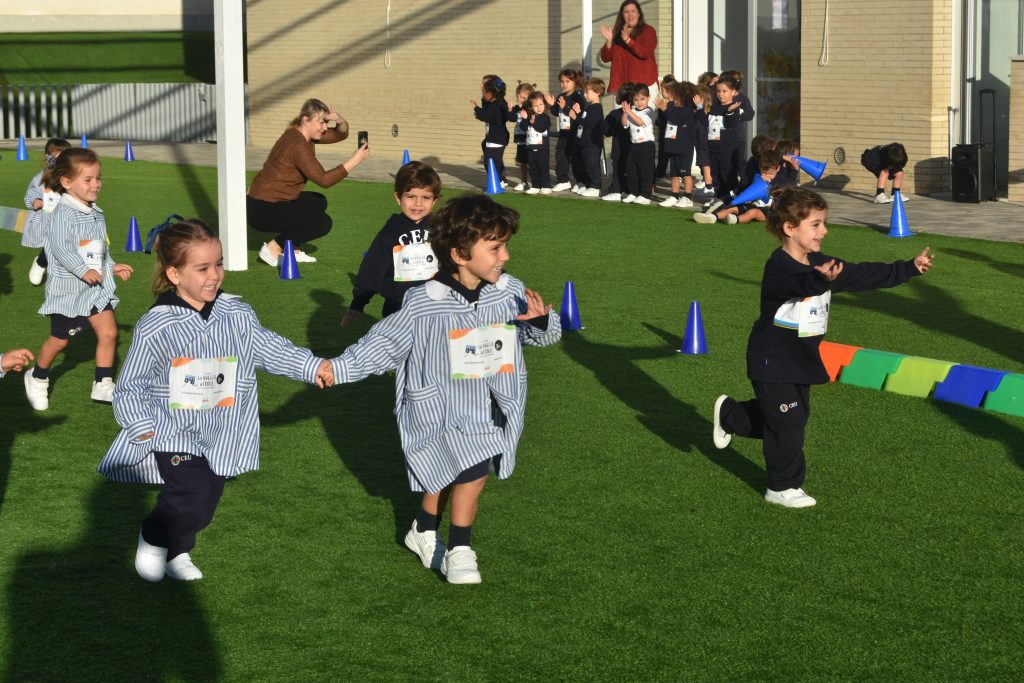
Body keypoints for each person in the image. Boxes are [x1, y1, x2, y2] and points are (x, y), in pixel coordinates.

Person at [325, 194, 561, 585]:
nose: (505, 257)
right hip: (439, 408)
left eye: (505, 245)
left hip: (491, 405)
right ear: (460, 254)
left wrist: (538, 322)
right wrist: (337, 368)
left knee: (456, 467)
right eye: (496, 247)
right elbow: (383, 343)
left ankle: (422, 527)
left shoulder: (508, 291)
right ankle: (461, 548)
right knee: (471, 468)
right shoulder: (424, 302)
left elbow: (543, 337)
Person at [97, 219, 334, 582]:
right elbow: (130, 385)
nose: (215, 275)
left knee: (205, 502)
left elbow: (269, 348)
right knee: (189, 490)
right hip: (173, 431)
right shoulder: (157, 325)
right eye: (202, 268)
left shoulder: (236, 313)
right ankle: (154, 534)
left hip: (223, 430)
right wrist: (143, 426)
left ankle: (177, 550)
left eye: (218, 264)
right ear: (174, 274)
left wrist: (312, 366)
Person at [712, 187, 935, 508]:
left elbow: (860, 274)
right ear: (790, 228)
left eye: (824, 223)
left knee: (791, 419)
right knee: (788, 423)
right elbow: (800, 283)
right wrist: (821, 281)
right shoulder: (780, 267)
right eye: (815, 224)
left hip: (801, 360)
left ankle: (731, 415)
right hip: (770, 360)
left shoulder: (821, 263)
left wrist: (909, 268)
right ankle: (781, 487)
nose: (824, 230)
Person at [24, 148, 134, 411]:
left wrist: (112, 266)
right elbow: (60, 248)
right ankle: (37, 376)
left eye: (98, 178)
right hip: (69, 293)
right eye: (88, 179)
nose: (95, 184)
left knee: (108, 332)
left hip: (96, 289)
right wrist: (82, 271)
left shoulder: (96, 211)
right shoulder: (63, 213)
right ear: (67, 182)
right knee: (60, 341)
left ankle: (103, 383)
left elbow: (98, 248)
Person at [247, 98, 369, 268]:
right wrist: (355, 160)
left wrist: (339, 120)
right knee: (322, 223)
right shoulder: (297, 144)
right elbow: (324, 179)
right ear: (306, 120)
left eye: (326, 122)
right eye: (321, 122)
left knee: (317, 202)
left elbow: (341, 134)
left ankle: (292, 248)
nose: (325, 127)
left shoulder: (301, 134)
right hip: (262, 210)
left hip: (263, 203)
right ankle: (273, 247)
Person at [341, 161, 442, 325]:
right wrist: (357, 304)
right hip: (398, 307)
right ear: (398, 197)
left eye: (426, 198)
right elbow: (373, 267)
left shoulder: (442, 228)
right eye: (410, 196)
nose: (418, 204)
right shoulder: (390, 231)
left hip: (436, 307)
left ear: (434, 200)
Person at [23, 137, 72, 286]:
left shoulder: (73, 176)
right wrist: (35, 202)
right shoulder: (41, 177)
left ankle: (66, 272)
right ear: (48, 157)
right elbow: (30, 195)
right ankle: (41, 262)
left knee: (68, 245)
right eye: (58, 157)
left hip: (68, 218)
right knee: (52, 244)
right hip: (47, 219)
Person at [694, 149, 782, 224]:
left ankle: (734, 219)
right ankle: (712, 217)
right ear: (759, 167)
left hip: (768, 211)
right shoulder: (757, 176)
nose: (767, 176)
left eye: (771, 174)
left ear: (778, 168)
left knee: (752, 213)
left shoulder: (780, 180)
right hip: (754, 204)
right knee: (733, 208)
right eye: (764, 172)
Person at [707, 74, 754, 202]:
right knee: (715, 173)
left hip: (728, 147)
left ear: (733, 92)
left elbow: (731, 123)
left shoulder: (736, 106)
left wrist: (731, 112)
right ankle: (719, 196)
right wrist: (700, 108)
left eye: (724, 91)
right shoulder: (714, 106)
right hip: (713, 147)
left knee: (728, 172)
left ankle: (733, 196)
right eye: (718, 91)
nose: (720, 94)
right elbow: (708, 123)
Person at [599, 1, 659, 101]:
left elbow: (645, 53)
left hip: (644, 87)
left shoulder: (648, 31)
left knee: (645, 117)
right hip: (622, 88)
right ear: (622, 15)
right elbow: (605, 57)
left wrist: (628, 40)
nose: (630, 15)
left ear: (638, 14)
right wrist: (609, 41)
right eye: (626, 12)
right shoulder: (618, 34)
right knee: (621, 117)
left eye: (633, 11)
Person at [657, 80, 698, 208]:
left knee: (685, 173)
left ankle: (687, 197)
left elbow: (677, 120)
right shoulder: (671, 107)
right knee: (674, 173)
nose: (673, 98)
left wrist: (665, 110)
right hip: (672, 145)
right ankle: (674, 196)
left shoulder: (688, 110)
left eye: (676, 95)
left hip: (684, 148)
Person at [545, 69, 585, 192]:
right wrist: (552, 105)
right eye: (562, 81)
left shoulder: (577, 97)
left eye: (568, 81)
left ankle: (581, 181)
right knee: (560, 155)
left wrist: (565, 107)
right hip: (563, 133)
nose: (564, 84)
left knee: (575, 158)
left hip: (574, 133)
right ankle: (563, 180)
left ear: (575, 82)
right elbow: (557, 112)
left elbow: (576, 113)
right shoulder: (561, 96)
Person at [472, 74, 511, 189]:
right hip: (493, 137)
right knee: (492, 159)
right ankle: (499, 180)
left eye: (483, 87)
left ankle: (498, 181)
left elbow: (486, 116)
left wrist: (476, 108)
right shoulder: (494, 103)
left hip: (497, 138)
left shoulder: (496, 105)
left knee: (491, 162)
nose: (481, 89)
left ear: (491, 91)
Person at [621, 84, 656, 205]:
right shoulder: (632, 111)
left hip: (646, 145)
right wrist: (625, 113)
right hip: (634, 145)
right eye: (636, 100)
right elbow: (624, 124)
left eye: (642, 99)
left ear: (648, 98)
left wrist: (630, 112)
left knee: (645, 171)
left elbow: (640, 122)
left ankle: (645, 195)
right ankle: (633, 192)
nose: (639, 103)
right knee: (632, 170)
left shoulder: (649, 111)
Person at [571, 77, 606, 197]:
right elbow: (585, 120)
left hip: (592, 143)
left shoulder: (597, 108)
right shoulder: (589, 107)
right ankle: (587, 184)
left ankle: (595, 186)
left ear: (597, 92)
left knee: (592, 165)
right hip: (585, 142)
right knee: (585, 164)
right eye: (584, 92)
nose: (585, 95)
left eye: (587, 92)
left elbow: (589, 123)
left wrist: (575, 117)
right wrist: (579, 113)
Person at [601, 82, 636, 202]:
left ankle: (616, 190)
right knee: (632, 168)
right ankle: (630, 190)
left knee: (617, 168)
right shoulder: (639, 113)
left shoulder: (614, 114)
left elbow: (606, 130)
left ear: (620, 100)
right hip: (635, 147)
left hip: (619, 147)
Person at [522, 92, 553, 195]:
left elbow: (541, 128)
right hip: (531, 148)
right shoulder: (530, 117)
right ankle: (535, 185)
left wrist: (533, 122)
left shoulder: (545, 118)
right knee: (533, 168)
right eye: (535, 105)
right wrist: (525, 119)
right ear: (531, 107)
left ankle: (546, 186)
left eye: (541, 105)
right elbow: (523, 127)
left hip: (542, 149)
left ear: (544, 105)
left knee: (543, 167)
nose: (539, 108)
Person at [509, 82, 536, 191]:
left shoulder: (530, 109)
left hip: (530, 139)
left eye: (525, 97)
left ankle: (535, 182)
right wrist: (510, 110)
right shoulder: (517, 108)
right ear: (517, 96)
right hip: (520, 140)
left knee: (532, 162)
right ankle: (524, 182)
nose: (523, 99)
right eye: (521, 97)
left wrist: (523, 107)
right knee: (522, 162)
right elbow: (512, 118)